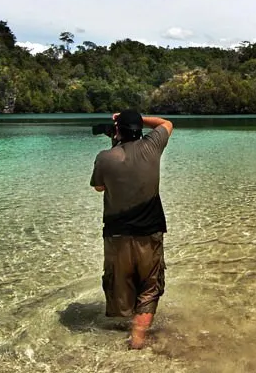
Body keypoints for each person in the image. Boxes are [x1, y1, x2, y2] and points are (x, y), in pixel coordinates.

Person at [90, 110, 173, 349]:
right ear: (139, 128)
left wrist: (113, 144)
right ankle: (137, 341)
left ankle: (125, 335)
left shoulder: (105, 157)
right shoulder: (153, 146)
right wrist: (138, 118)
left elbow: (99, 187)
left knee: (121, 285)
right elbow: (167, 122)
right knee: (149, 289)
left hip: (116, 236)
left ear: (117, 132)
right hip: (150, 233)